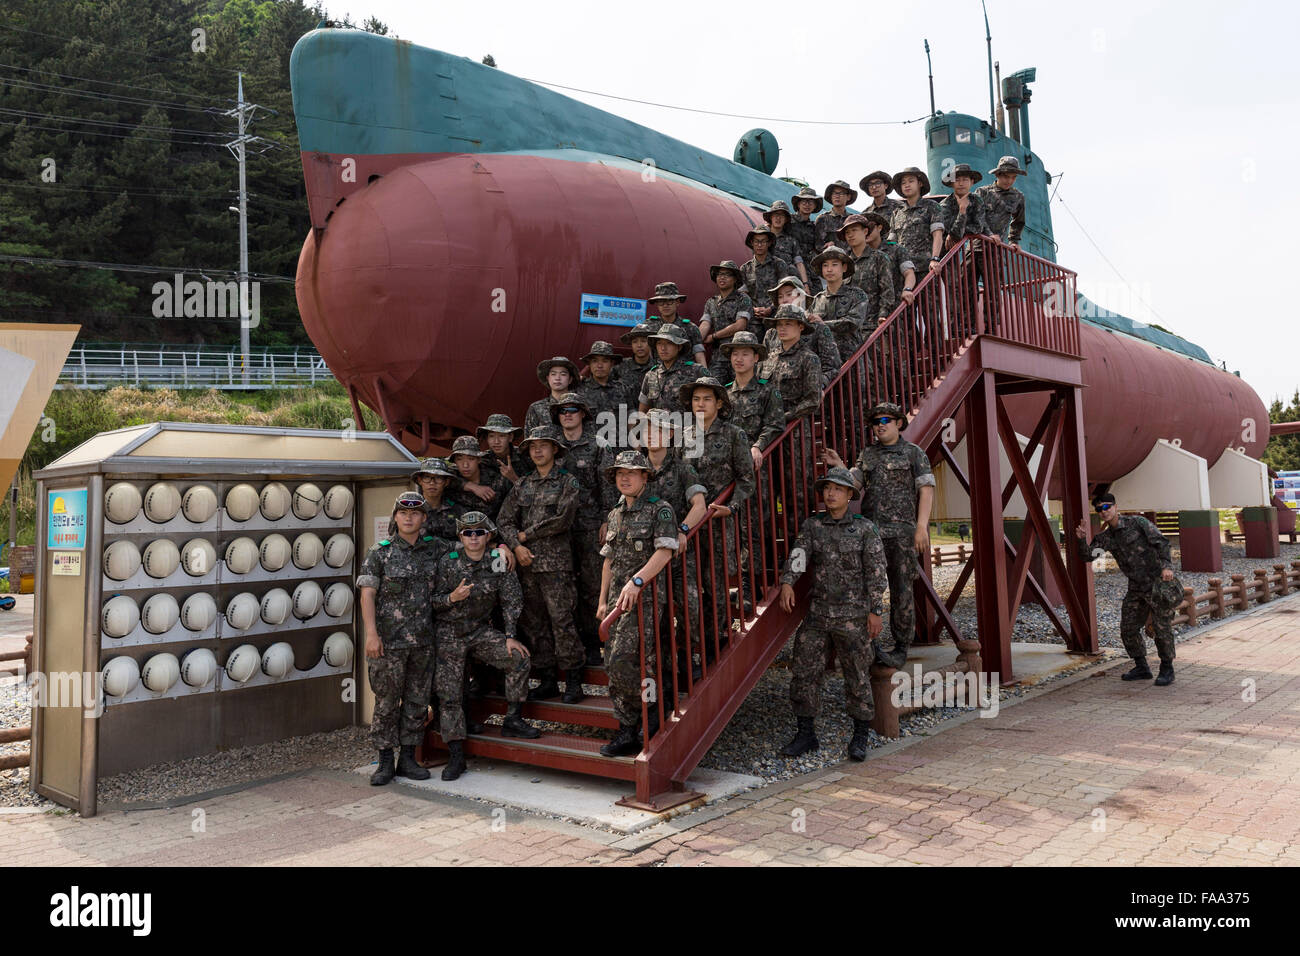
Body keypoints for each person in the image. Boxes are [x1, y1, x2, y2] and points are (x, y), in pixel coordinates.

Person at [777, 467, 886, 761]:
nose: (830, 493)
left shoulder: (865, 529)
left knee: (856, 675)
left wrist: (876, 611)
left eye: (837, 489)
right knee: (804, 671)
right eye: (827, 488)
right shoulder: (813, 526)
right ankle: (806, 734)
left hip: (853, 617)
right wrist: (788, 581)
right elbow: (799, 554)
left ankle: (860, 735)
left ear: (850, 495)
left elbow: (876, 572)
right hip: (819, 614)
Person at [823, 402, 935, 668]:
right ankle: (870, 644)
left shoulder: (913, 453)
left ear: (898, 423)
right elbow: (854, 484)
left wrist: (921, 527)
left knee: (902, 590)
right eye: (875, 422)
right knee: (868, 588)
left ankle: (900, 647)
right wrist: (840, 465)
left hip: (903, 533)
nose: (880, 425)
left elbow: (927, 490)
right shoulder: (869, 454)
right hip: (872, 535)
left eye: (886, 419)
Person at [432, 511, 540, 781]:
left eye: (479, 532)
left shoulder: (496, 562)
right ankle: (456, 755)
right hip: (450, 634)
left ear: (488, 536)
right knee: (450, 692)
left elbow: (511, 600)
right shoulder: (448, 563)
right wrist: (451, 598)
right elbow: (431, 601)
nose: (473, 537)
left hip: (480, 631)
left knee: (518, 658)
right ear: (460, 537)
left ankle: (513, 719)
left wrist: (509, 635)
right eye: (468, 533)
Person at [357, 492, 446, 785]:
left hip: (422, 642)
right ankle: (384, 761)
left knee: (417, 702)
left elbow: (473, 546)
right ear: (395, 517)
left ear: (423, 519)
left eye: (415, 513)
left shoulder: (435, 549)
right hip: (388, 644)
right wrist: (371, 634)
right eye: (403, 513)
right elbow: (367, 594)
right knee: (386, 702)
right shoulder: (379, 552)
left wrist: (500, 547)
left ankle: (407, 758)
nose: (409, 518)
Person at [598, 450, 680, 756]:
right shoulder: (615, 513)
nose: (625, 478)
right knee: (612, 662)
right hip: (616, 601)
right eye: (620, 473)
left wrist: (637, 582)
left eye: (631, 472)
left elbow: (665, 552)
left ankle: (655, 708)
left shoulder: (660, 510)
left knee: (624, 659)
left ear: (645, 476)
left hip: (643, 599)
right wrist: (602, 600)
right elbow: (608, 560)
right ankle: (628, 729)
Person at [496, 425, 585, 702]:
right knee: (535, 623)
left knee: (563, 620)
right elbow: (503, 520)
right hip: (527, 565)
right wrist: (517, 545)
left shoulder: (568, 482)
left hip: (556, 566)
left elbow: (563, 519)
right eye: (533, 446)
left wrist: (527, 535)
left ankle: (573, 681)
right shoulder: (522, 485)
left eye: (543, 445)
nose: (537, 450)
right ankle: (547, 678)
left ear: (554, 449)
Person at [679, 377, 756, 651]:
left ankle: (716, 640)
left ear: (719, 403)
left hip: (719, 522)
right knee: (688, 586)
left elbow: (747, 480)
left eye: (707, 399)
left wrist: (731, 507)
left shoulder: (734, 434)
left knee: (716, 585)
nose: (701, 404)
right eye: (696, 399)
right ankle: (692, 643)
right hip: (689, 523)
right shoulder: (683, 435)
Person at [1075, 493, 1179, 685]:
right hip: (1136, 588)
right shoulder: (1106, 537)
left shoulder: (1137, 523)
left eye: (1106, 507)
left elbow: (1161, 542)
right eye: (1099, 509)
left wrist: (1167, 567)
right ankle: (1142, 667)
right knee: (1128, 628)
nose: (1103, 512)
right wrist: (1081, 539)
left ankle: (1167, 668)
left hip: (1157, 584)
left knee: (1161, 627)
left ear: (1115, 507)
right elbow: (1089, 556)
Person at [551, 392, 606, 668]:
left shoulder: (597, 443)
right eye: (562, 411)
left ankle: (594, 642)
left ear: (583, 413)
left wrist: (607, 518)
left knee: (592, 586)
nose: (567, 414)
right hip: (558, 528)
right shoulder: (550, 445)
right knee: (563, 588)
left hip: (590, 524)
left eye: (573, 409)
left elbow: (606, 483)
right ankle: (570, 647)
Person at [758, 305, 823, 530]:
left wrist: (783, 417)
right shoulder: (769, 358)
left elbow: (813, 399)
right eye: (779, 324)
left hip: (793, 432)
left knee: (796, 489)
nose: (782, 328)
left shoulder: (809, 358)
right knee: (767, 488)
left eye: (788, 324)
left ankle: (799, 539)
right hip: (768, 432)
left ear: (800, 327)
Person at [766, 275, 841, 387]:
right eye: (780, 296)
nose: (784, 300)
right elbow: (763, 369)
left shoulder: (818, 328)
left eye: (789, 294)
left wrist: (817, 387)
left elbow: (832, 367)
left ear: (801, 297)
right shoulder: (772, 333)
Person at [723, 330, 784, 469]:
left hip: (755, 462)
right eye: (735, 354)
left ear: (756, 358)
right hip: (728, 462)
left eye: (745, 354)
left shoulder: (767, 391)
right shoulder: (725, 393)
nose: (739, 359)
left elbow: (776, 425)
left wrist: (758, 446)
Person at [808, 245, 870, 361]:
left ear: (844, 267)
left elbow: (852, 323)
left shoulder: (857, 295)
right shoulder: (817, 300)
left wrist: (823, 324)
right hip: (826, 361)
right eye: (825, 265)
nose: (829, 269)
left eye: (834, 264)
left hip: (852, 359)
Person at [838, 212, 898, 329]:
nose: (850, 235)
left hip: (873, 325)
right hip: (850, 326)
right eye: (847, 232)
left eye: (854, 230)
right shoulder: (844, 263)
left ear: (865, 232)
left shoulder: (879, 258)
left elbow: (887, 291)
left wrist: (883, 315)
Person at [699, 260, 753, 383]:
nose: (722, 277)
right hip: (718, 356)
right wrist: (696, 340)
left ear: (735, 279)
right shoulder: (711, 302)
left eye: (727, 274)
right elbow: (705, 325)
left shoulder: (743, 299)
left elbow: (740, 325)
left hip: (739, 355)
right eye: (719, 274)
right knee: (714, 389)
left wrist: (714, 336)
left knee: (741, 390)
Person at [888, 166, 945, 284]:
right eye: (903, 183)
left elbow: (937, 235)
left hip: (925, 268)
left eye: (911, 181)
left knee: (930, 303)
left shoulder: (932, 207)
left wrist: (935, 259)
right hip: (902, 270)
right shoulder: (897, 212)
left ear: (920, 183)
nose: (906, 185)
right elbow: (892, 243)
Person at [638, 325, 706, 415]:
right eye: (659, 343)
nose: (663, 348)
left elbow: (710, 406)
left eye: (669, 343)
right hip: (658, 427)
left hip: (687, 427)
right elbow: (642, 411)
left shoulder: (696, 371)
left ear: (679, 347)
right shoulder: (651, 375)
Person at [740, 224, 795, 327]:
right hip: (753, 319)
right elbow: (742, 295)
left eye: (763, 241)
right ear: (752, 243)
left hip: (776, 317)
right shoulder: (745, 269)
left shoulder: (779, 265)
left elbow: (785, 292)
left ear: (769, 243)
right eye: (756, 241)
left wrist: (770, 309)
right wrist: (753, 309)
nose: (759, 245)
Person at [449, 435, 511, 522]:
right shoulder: (451, 477)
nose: (465, 465)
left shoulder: (497, 480)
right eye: (459, 459)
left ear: (479, 460)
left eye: (471, 459)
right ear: (455, 461)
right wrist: (471, 486)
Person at [645, 282, 706, 362]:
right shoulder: (648, 327)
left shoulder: (691, 328)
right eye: (661, 302)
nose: (665, 305)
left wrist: (705, 373)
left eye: (669, 301)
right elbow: (646, 354)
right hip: (658, 372)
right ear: (656, 304)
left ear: (677, 302)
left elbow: (699, 355)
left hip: (685, 373)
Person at [974, 155, 1027, 247]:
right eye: (1006, 177)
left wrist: (1014, 241)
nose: (1009, 181)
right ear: (997, 174)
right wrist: (989, 234)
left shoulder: (1018, 197)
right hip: (976, 246)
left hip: (997, 249)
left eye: (1013, 177)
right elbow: (976, 216)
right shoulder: (982, 192)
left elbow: (1018, 221)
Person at [407, 457, 464, 540]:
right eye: (427, 477)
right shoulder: (408, 510)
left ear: (446, 482)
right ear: (420, 480)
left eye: (438, 478)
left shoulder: (458, 511)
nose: (432, 483)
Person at [577, 341, 630, 428]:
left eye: (605, 361)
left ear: (612, 364)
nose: (600, 365)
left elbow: (630, 414)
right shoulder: (579, 389)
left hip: (618, 440)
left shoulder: (622, 389)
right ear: (589, 364)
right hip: (591, 440)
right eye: (595, 361)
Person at [526, 357, 580, 435]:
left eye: (563, 374)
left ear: (570, 379)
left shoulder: (580, 406)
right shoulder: (536, 408)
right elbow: (529, 440)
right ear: (548, 378)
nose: (558, 378)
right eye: (553, 374)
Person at [763, 200, 807, 285]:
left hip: (786, 283)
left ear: (786, 219)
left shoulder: (792, 241)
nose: (778, 218)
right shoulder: (762, 237)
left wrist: (805, 284)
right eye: (776, 215)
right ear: (771, 217)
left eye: (782, 216)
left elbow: (799, 263)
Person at [478, 414, 527, 485]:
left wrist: (514, 478)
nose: (496, 441)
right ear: (487, 438)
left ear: (510, 437)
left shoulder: (525, 456)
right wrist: (469, 485)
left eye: (502, 435)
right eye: (491, 436)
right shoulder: (481, 460)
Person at [615, 322, 657, 404]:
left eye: (643, 341)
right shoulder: (621, 366)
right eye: (635, 342)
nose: (639, 345)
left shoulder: (658, 368)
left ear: (651, 344)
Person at [788, 186, 822, 284]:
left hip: (807, 268)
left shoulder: (813, 227)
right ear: (798, 204)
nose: (807, 205)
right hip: (789, 266)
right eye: (804, 202)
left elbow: (818, 247)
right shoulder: (787, 221)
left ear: (815, 206)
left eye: (811, 202)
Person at [814, 180, 857, 256]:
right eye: (834, 193)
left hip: (851, 261)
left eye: (841, 193)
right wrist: (828, 247)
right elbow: (817, 245)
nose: (837, 196)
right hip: (831, 261)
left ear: (848, 197)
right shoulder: (822, 219)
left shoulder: (853, 220)